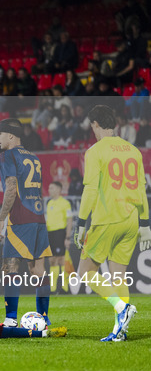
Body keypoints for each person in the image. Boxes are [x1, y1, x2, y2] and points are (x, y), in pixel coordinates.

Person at [74, 105, 151, 342]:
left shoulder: (95, 151)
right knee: (118, 277)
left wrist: (80, 222)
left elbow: (89, 190)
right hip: (130, 221)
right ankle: (121, 331)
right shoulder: (133, 151)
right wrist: (145, 223)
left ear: (95, 124)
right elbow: (141, 188)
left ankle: (121, 308)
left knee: (85, 273)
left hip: (106, 219)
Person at [0, 118, 53, 328]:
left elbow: (11, 188)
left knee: (10, 268)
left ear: (10, 135)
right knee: (38, 270)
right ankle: (44, 318)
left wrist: (1, 219)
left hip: (20, 217)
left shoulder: (7, 156)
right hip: (38, 216)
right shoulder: (34, 158)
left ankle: (10, 319)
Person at [46, 182, 72, 294]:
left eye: (51, 188)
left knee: (61, 260)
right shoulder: (49, 203)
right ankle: (52, 288)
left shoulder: (65, 203)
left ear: (58, 189)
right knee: (51, 260)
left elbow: (69, 220)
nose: (49, 190)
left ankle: (64, 287)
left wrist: (67, 237)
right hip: (50, 234)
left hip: (60, 233)